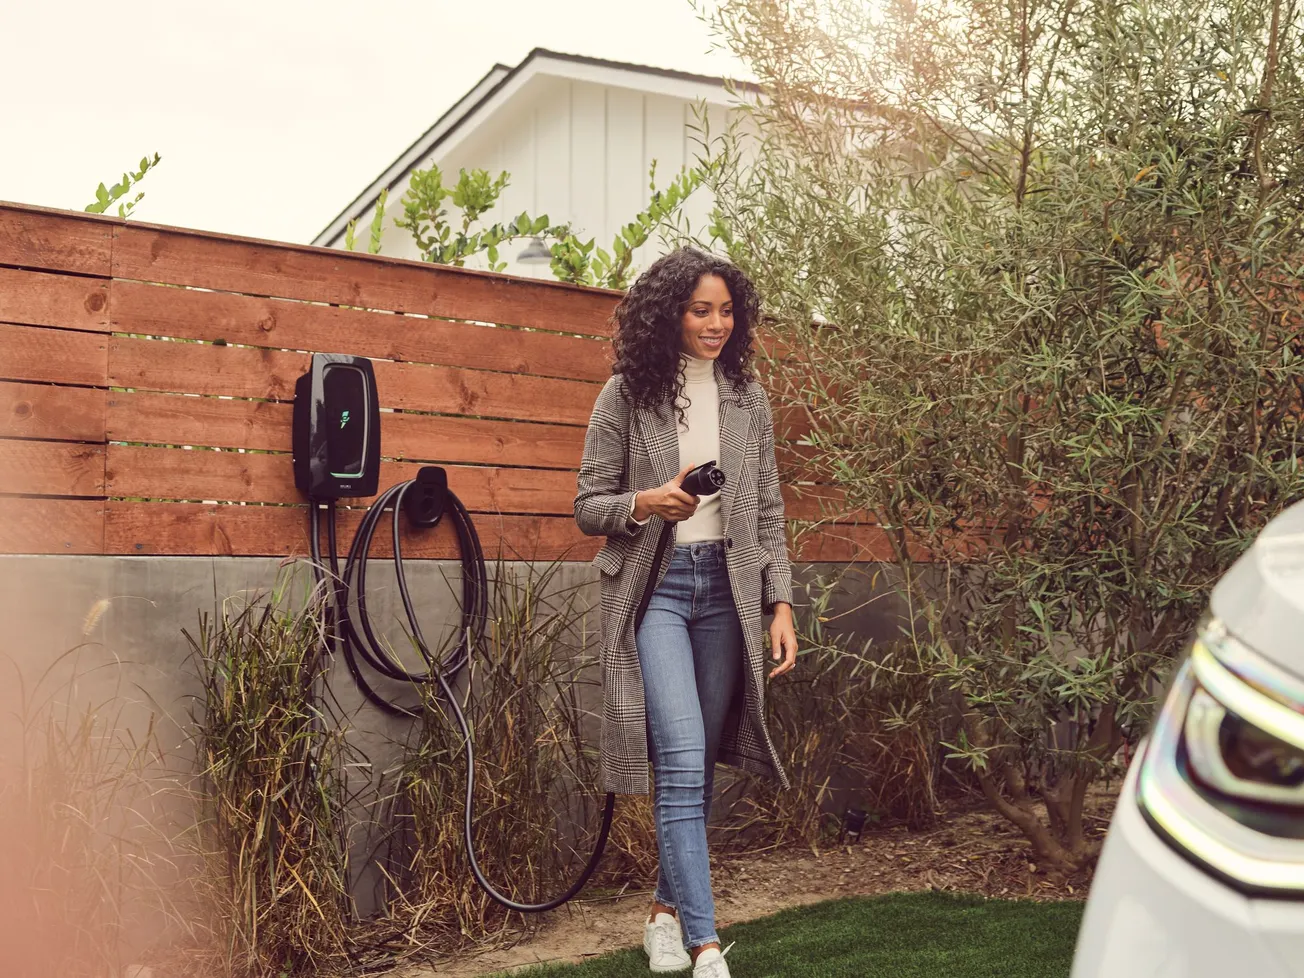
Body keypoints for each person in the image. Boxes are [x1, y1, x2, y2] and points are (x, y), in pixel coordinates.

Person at [573, 247, 798, 978]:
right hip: (658, 590)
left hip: (725, 593)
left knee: (697, 768)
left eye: (727, 310)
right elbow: (587, 507)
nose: (716, 324)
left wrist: (781, 601)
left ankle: (664, 917)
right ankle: (707, 948)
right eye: (701, 309)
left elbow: (766, 509)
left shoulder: (746, 396)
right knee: (677, 760)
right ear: (668, 312)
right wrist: (646, 502)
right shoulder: (625, 395)